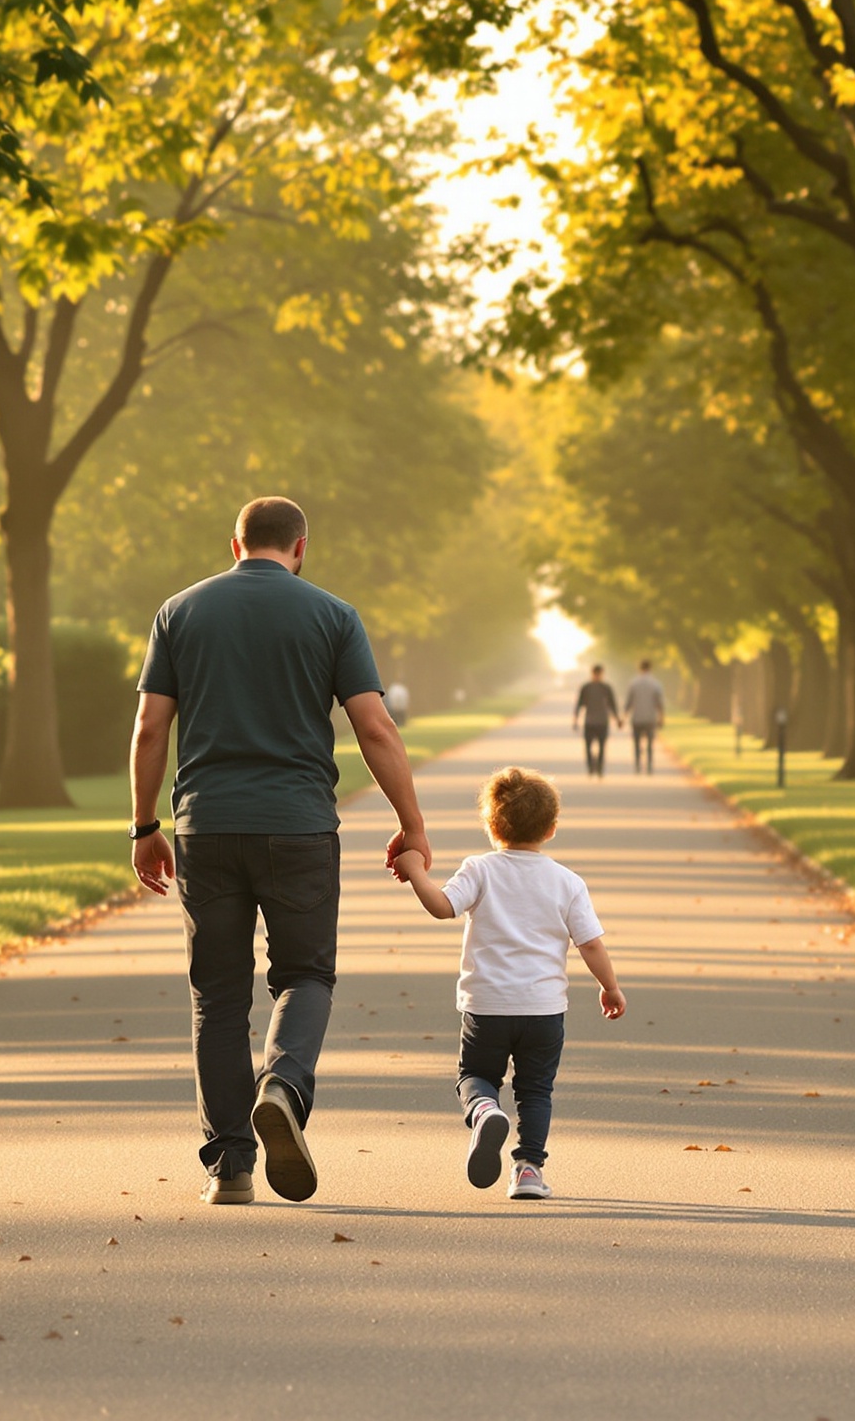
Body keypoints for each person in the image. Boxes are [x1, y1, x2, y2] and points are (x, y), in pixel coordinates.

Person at [129, 496, 432, 1207]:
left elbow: (150, 728)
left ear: (234, 545)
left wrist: (144, 828)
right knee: (305, 974)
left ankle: (229, 1167)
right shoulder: (332, 614)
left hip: (205, 827)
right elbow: (376, 728)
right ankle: (284, 1086)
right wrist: (411, 823)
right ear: (301, 547)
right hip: (299, 826)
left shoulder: (179, 612)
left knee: (218, 995)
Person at [392, 766, 623, 1201]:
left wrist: (415, 871)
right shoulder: (567, 882)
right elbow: (590, 944)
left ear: (491, 826)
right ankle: (529, 1170)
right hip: (543, 1009)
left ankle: (483, 1110)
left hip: (486, 1006)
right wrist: (610, 986)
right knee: (536, 1090)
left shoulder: (479, 870)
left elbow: (443, 907)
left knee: (476, 1075)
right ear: (551, 829)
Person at [572, 663, 618, 777]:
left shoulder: (605, 688)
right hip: (591, 721)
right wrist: (576, 719)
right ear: (593, 673)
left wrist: (617, 719)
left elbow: (612, 705)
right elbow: (579, 704)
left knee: (601, 747)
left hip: (600, 721)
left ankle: (599, 768)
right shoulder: (587, 687)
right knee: (589, 747)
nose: (597, 675)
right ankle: (591, 767)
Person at [624, 659, 666, 774]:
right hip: (650, 718)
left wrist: (624, 717)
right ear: (650, 668)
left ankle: (638, 765)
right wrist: (661, 717)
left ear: (639, 668)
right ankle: (649, 766)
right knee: (650, 743)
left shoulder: (633, 683)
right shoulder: (656, 683)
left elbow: (629, 702)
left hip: (637, 717)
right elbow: (659, 703)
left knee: (637, 743)